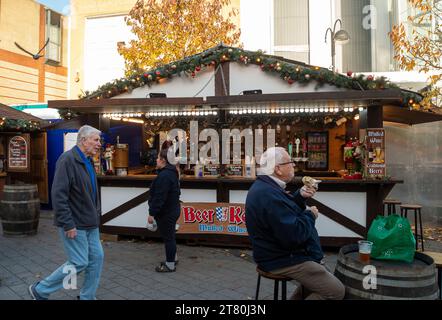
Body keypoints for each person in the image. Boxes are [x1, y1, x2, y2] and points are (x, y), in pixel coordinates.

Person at [245, 147, 345, 300]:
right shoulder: (268, 194)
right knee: (335, 291)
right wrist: (310, 215)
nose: (293, 166)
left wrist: (299, 196)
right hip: (281, 258)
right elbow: (294, 235)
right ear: (278, 169)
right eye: (290, 162)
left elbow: (282, 213)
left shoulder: (266, 187)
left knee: (319, 278)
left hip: (277, 253)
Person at [28, 125, 103, 300]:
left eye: (99, 140)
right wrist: (68, 223)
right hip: (75, 223)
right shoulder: (67, 160)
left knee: (97, 259)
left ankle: (87, 297)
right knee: (79, 262)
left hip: (91, 223)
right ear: (83, 140)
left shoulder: (88, 160)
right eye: (96, 140)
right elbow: (59, 195)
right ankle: (40, 290)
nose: (99, 144)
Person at [147, 140, 181, 272]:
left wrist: (152, 214)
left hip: (167, 212)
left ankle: (170, 265)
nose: (156, 160)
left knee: (168, 238)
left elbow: (159, 198)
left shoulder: (164, 176)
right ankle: (172, 259)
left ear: (163, 160)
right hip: (172, 209)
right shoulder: (171, 172)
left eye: (157, 158)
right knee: (170, 236)